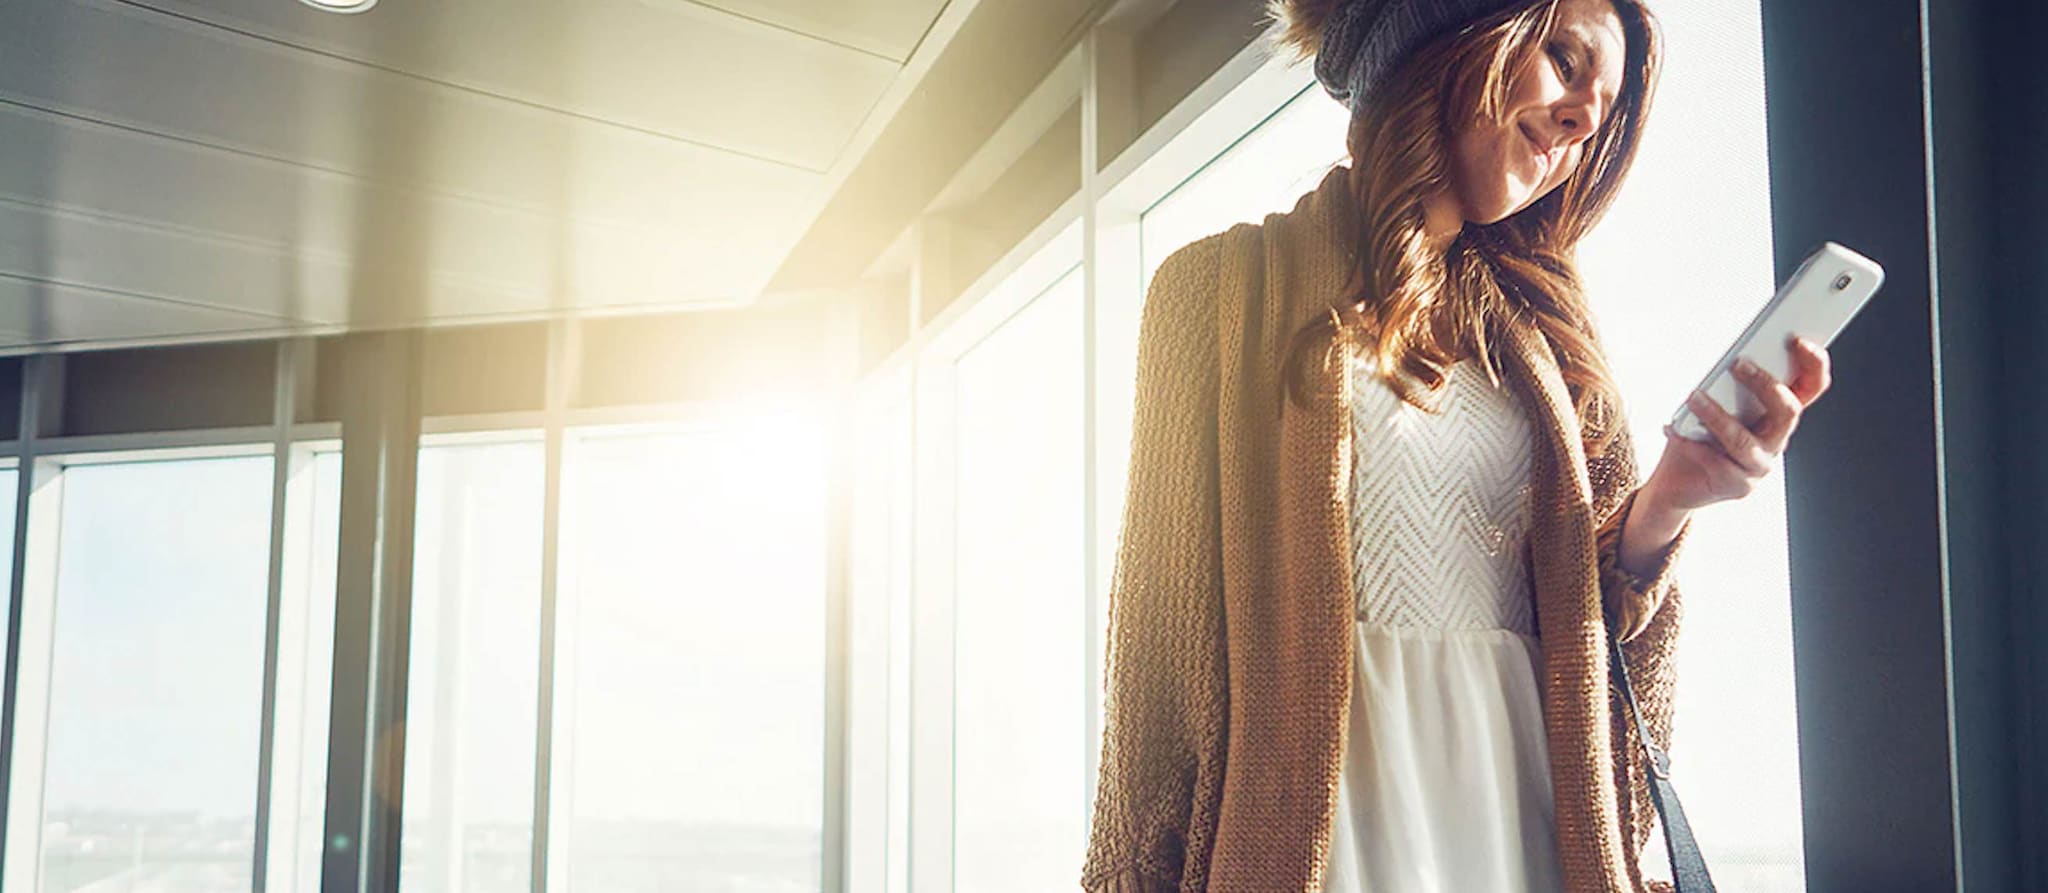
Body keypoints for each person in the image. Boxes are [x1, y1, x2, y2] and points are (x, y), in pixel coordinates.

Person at [1078, 0, 1834, 891]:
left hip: (1528, 830)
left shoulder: (1552, 344)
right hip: (1326, 843)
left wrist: (1668, 500)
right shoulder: (1214, 292)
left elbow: (1598, 636)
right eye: (1564, 57)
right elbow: (1160, 662)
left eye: (1607, 100)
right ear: (1444, 39)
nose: (1589, 116)